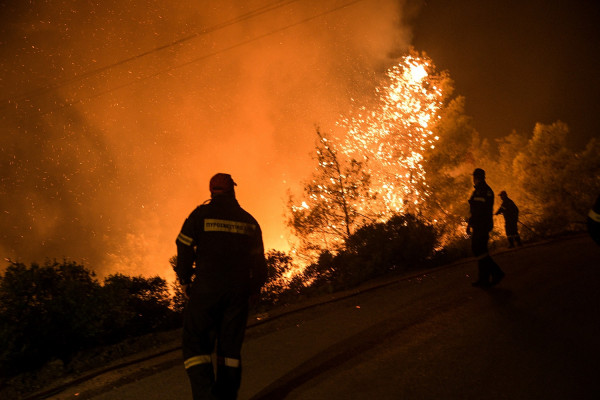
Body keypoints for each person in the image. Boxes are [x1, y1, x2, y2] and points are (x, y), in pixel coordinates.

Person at [174, 173, 268, 400]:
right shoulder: (249, 221)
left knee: (195, 344)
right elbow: (259, 261)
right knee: (230, 351)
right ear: (233, 190)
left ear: (211, 191)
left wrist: (185, 280)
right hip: (238, 292)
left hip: (206, 290)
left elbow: (183, 245)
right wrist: (255, 289)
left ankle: (206, 396)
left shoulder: (199, 215)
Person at [467, 168, 505, 288]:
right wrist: (470, 223)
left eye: (474, 176)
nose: (473, 179)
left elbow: (478, 210)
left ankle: (496, 273)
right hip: (480, 224)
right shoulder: (481, 190)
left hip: (482, 225)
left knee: (479, 249)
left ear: (477, 177)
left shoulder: (482, 190)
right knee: (480, 250)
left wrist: (471, 223)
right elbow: (475, 208)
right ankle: (484, 279)